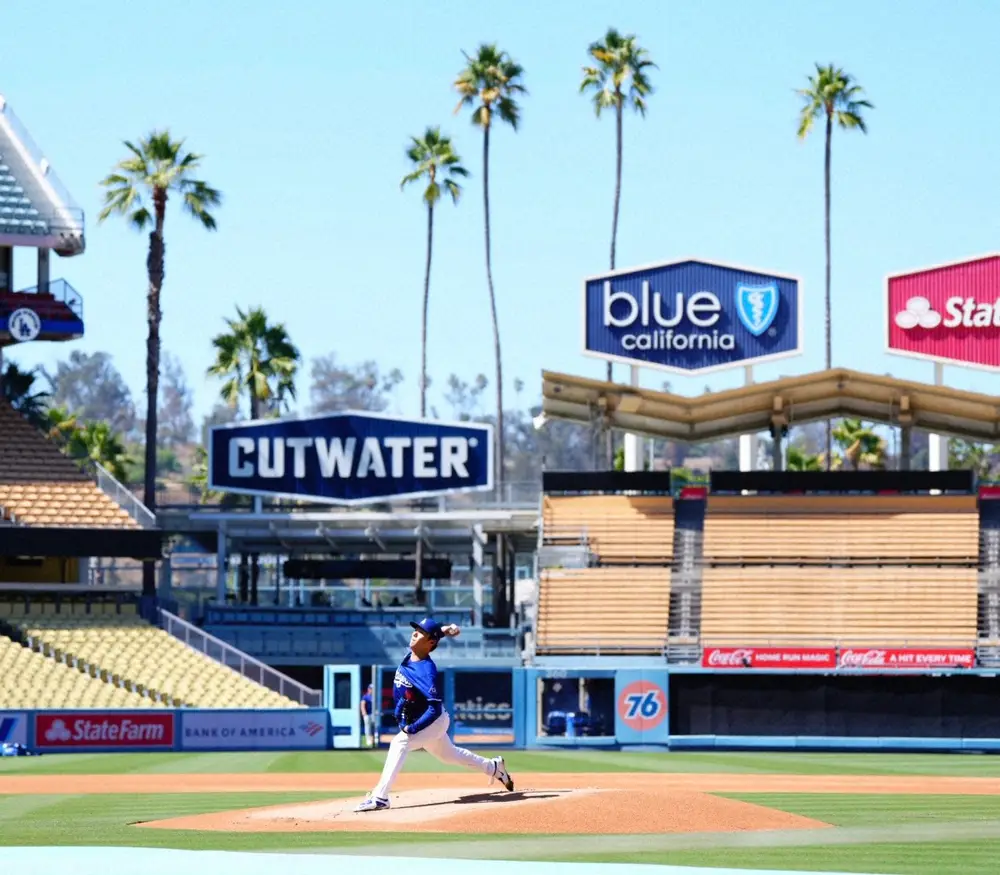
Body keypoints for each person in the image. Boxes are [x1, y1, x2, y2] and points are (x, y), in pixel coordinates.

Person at [354, 617, 515, 812]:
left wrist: (412, 729)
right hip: (426, 720)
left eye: (420, 632)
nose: (414, 633)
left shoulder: (426, 670)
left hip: (433, 721)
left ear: (430, 642)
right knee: (450, 755)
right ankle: (494, 767)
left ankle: (380, 797)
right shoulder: (411, 654)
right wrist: (446, 629)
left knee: (400, 742)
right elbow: (434, 636)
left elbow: (435, 708)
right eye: (416, 629)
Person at [360, 683, 375, 748]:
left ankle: (374, 740)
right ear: (368, 689)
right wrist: (364, 713)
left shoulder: (375, 696)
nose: (372, 690)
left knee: (374, 727)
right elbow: (362, 704)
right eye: (371, 688)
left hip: (374, 714)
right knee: (367, 727)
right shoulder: (365, 696)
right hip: (367, 714)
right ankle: (368, 740)